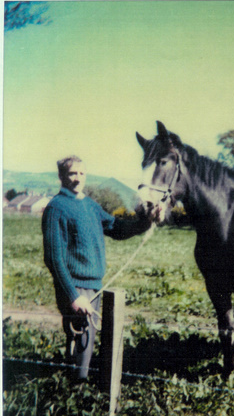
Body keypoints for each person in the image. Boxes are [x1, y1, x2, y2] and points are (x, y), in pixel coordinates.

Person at [42, 155, 152, 382]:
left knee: (87, 344)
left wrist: (146, 222)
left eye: (82, 173)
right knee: (81, 344)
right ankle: (75, 399)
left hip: (94, 286)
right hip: (76, 289)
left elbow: (116, 228)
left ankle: (79, 396)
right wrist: (73, 296)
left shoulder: (90, 206)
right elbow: (54, 258)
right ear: (62, 176)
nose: (77, 178)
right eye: (72, 173)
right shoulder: (56, 208)